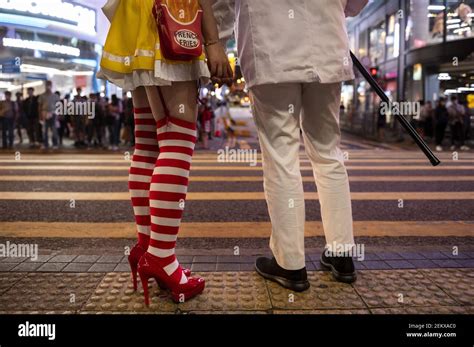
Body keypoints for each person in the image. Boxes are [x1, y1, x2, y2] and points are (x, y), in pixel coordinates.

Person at [213, 0, 368, 290]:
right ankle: (342, 253)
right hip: (326, 44)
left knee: (281, 153)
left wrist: (218, 41)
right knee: (328, 153)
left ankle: (290, 263)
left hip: (271, 45)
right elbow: (357, 3)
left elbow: (221, 3)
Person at [98, 0, 232, 304]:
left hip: (135, 22)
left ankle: (147, 249)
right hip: (174, 17)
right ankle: (161, 257)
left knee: (147, 145)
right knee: (177, 139)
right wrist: (213, 41)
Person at [38, 81, 60, 149]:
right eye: (47, 85)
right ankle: (45, 144)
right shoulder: (42, 96)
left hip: (53, 114)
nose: (48, 86)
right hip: (44, 113)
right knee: (45, 130)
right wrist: (40, 116)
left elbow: (58, 106)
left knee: (54, 130)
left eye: (49, 85)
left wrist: (58, 116)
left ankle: (55, 144)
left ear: (51, 86)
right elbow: (39, 106)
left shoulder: (55, 96)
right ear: (45, 86)